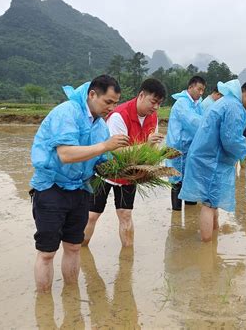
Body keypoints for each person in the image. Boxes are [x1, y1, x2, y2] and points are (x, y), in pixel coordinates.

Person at [30, 75, 130, 293]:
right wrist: (105, 146)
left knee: (74, 247)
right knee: (47, 252)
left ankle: (71, 299)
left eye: (115, 103)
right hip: (51, 188)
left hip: (80, 189)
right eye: (108, 102)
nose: (112, 108)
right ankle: (44, 305)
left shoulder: (100, 126)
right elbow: (65, 154)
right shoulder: (67, 112)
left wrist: (131, 171)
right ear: (92, 94)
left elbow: (102, 164)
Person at [83, 78, 167, 247]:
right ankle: (79, 250)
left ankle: (127, 261)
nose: (155, 107)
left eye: (159, 104)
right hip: (105, 171)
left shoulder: (153, 117)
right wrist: (147, 145)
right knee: (92, 215)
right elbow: (116, 151)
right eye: (153, 102)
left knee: (125, 214)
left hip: (130, 174)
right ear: (141, 95)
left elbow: (152, 149)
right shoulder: (119, 116)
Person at [178, 79, 246, 242]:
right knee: (209, 204)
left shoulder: (227, 101)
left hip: (207, 158)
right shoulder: (234, 107)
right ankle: (207, 248)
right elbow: (230, 140)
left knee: (212, 202)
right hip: (211, 161)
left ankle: (212, 241)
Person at [166, 76, 206, 210]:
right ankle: (176, 216)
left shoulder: (197, 103)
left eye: (203, 90)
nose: (201, 93)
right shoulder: (182, 103)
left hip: (191, 148)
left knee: (191, 180)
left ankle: (190, 218)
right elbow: (194, 122)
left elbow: (204, 117)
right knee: (177, 180)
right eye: (199, 89)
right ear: (190, 87)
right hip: (178, 147)